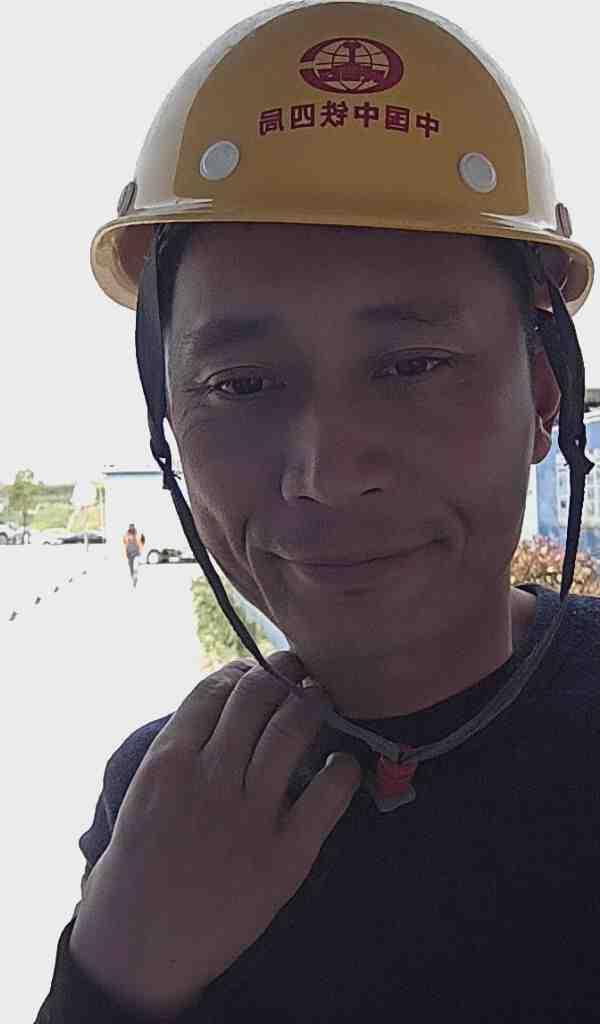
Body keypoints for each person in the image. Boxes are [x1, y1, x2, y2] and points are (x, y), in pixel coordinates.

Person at [36, 3, 600, 1021]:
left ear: (545, 396)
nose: (325, 473)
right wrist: (111, 976)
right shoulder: (164, 797)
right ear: (168, 421)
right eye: (241, 385)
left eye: (413, 366)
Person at [122, 523, 145, 587]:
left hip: (136, 553)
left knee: (136, 566)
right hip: (129, 553)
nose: (131, 528)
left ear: (134, 527)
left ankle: (135, 577)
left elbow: (141, 541)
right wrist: (126, 552)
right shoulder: (126, 534)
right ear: (129, 527)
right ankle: (133, 579)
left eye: (132, 527)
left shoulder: (137, 534)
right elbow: (124, 543)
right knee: (131, 567)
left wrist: (141, 548)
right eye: (130, 527)